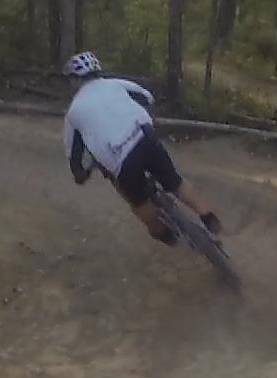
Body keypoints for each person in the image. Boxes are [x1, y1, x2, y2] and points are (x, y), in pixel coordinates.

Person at [62, 51, 223, 245]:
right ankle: (208, 216)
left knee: (137, 201)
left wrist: (80, 174)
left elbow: (73, 155)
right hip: (146, 138)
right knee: (174, 182)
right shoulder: (115, 84)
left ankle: (164, 234)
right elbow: (147, 97)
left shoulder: (73, 114)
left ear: (74, 80)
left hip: (122, 160)